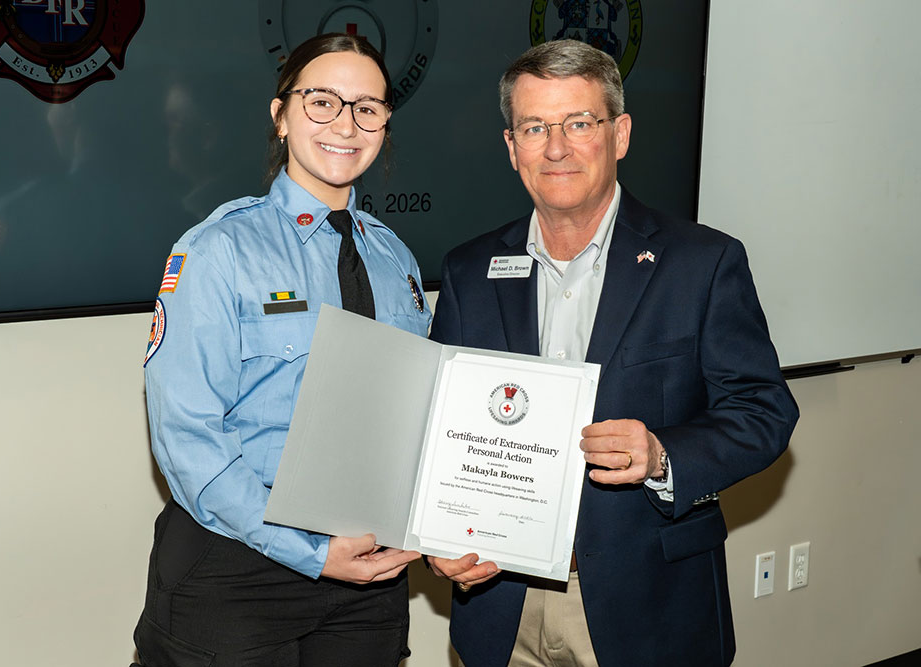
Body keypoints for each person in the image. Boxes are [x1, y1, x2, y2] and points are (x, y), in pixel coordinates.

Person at [426, 40, 799, 666]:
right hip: (498, 606)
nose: (556, 147)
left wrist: (661, 454)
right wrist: (438, 535)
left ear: (619, 134)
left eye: (579, 123)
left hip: (647, 611)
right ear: (511, 146)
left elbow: (764, 412)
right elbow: (440, 431)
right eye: (535, 127)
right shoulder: (469, 271)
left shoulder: (702, 263)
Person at [133, 33, 431, 666]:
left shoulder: (396, 259)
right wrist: (310, 551)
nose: (345, 124)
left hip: (367, 573)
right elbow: (185, 435)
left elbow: (417, 418)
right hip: (237, 564)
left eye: (367, 108)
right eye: (322, 102)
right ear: (281, 116)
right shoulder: (219, 251)